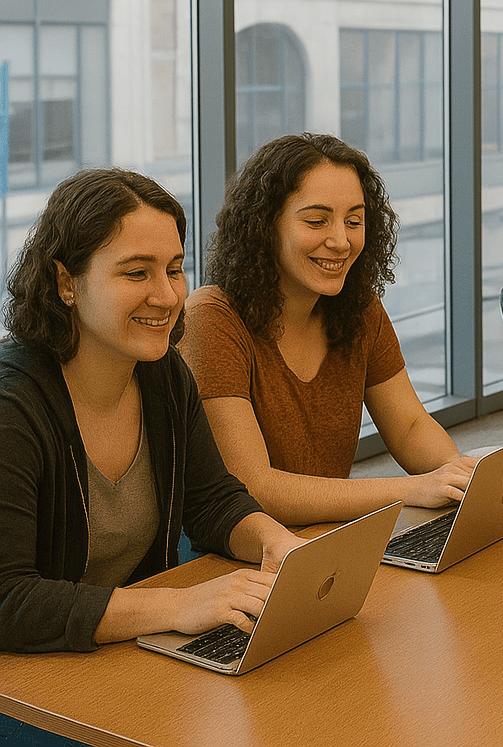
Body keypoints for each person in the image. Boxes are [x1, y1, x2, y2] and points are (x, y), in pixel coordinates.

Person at [0, 169, 304, 655]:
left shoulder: (161, 373)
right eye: (136, 272)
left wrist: (277, 542)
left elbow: (211, 502)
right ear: (66, 283)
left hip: (123, 654)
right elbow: (8, 600)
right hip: (27, 684)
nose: (166, 296)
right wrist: (179, 606)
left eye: (175, 269)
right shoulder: (12, 406)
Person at [178, 134, 474, 526]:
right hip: (229, 557)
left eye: (354, 221)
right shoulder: (212, 318)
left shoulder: (359, 307)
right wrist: (411, 489)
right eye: (317, 221)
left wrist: (460, 477)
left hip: (324, 538)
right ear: (265, 226)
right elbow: (254, 488)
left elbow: (409, 426)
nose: (341, 241)